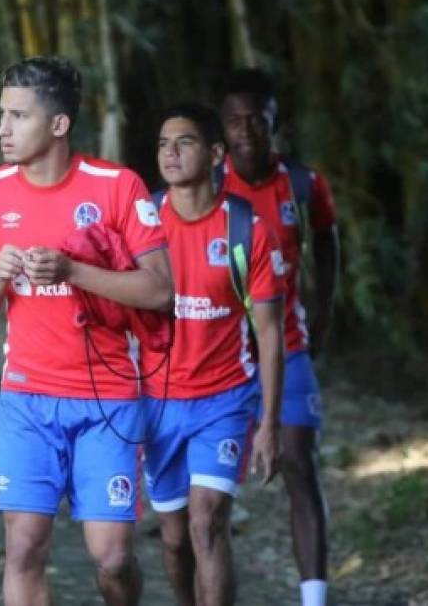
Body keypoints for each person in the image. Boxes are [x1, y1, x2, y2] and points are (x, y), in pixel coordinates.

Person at [0, 56, 173, 606]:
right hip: (26, 397)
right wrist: (0, 278)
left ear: (58, 124)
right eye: (1, 114)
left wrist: (74, 271)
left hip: (108, 400)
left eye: (17, 116)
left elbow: (159, 290)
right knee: (25, 548)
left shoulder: (117, 186)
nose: (1, 129)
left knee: (113, 558)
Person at [142, 103, 285, 605]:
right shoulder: (142, 225)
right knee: (176, 539)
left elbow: (269, 332)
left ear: (216, 153)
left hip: (224, 400)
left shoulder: (247, 229)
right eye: (163, 144)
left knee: (207, 523)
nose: (170, 153)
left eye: (184, 142)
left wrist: (269, 423)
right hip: (156, 402)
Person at [220, 69, 340, 606]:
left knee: (299, 463)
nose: (247, 130)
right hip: (220, 354)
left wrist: (325, 309)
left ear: (275, 123)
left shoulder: (302, 182)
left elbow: (327, 239)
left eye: (258, 119)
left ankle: (314, 598)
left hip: (287, 342)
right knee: (213, 491)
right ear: (221, 129)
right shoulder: (207, 184)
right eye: (236, 120)